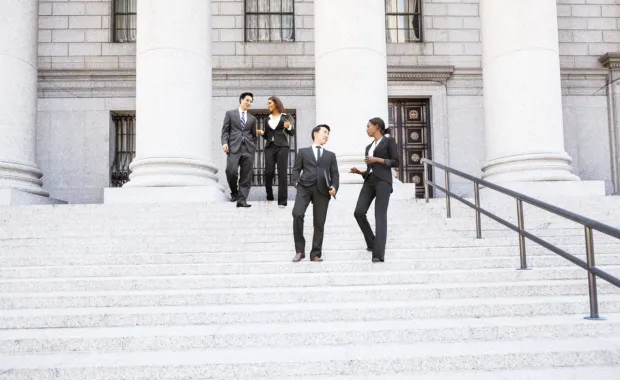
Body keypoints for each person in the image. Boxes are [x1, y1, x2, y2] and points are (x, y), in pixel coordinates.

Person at [350, 117, 400, 262]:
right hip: (370, 180)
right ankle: (372, 243)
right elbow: (370, 169)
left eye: (368, 126)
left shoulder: (389, 141)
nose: (366, 129)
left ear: (377, 127)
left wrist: (376, 159)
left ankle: (378, 254)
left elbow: (396, 162)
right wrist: (359, 172)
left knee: (380, 216)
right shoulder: (368, 147)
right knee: (358, 212)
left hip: (384, 181)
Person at [291, 124, 339, 262]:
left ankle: (315, 254)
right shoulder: (303, 152)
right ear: (315, 133)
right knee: (297, 214)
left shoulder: (330, 155)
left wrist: (335, 187)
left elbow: (335, 174)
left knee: (319, 222)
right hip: (304, 187)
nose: (326, 135)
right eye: (324, 132)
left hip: (323, 191)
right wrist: (296, 182)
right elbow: (296, 169)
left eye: (328, 133)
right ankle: (300, 251)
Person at [256, 96, 295, 208]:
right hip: (269, 147)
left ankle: (282, 202)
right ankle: (269, 196)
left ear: (276, 104)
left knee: (282, 173)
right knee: (268, 172)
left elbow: (292, 132)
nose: (268, 105)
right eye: (267, 103)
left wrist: (289, 127)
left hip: (282, 147)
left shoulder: (285, 117)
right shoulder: (267, 119)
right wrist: (262, 132)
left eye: (270, 103)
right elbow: (268, 135)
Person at [221, 92, 257, 208]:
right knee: (230, 171)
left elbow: (253, 134)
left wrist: (253, 146)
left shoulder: (252, 118)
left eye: (251, 101)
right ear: (241, 100)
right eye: (247, 100)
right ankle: (234, 192)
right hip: (234, 147)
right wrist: (225, 143)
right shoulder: (230, 114)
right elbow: (225, 130)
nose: (249, 103)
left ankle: (242, 200)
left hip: (248, 148)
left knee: (246, 175)